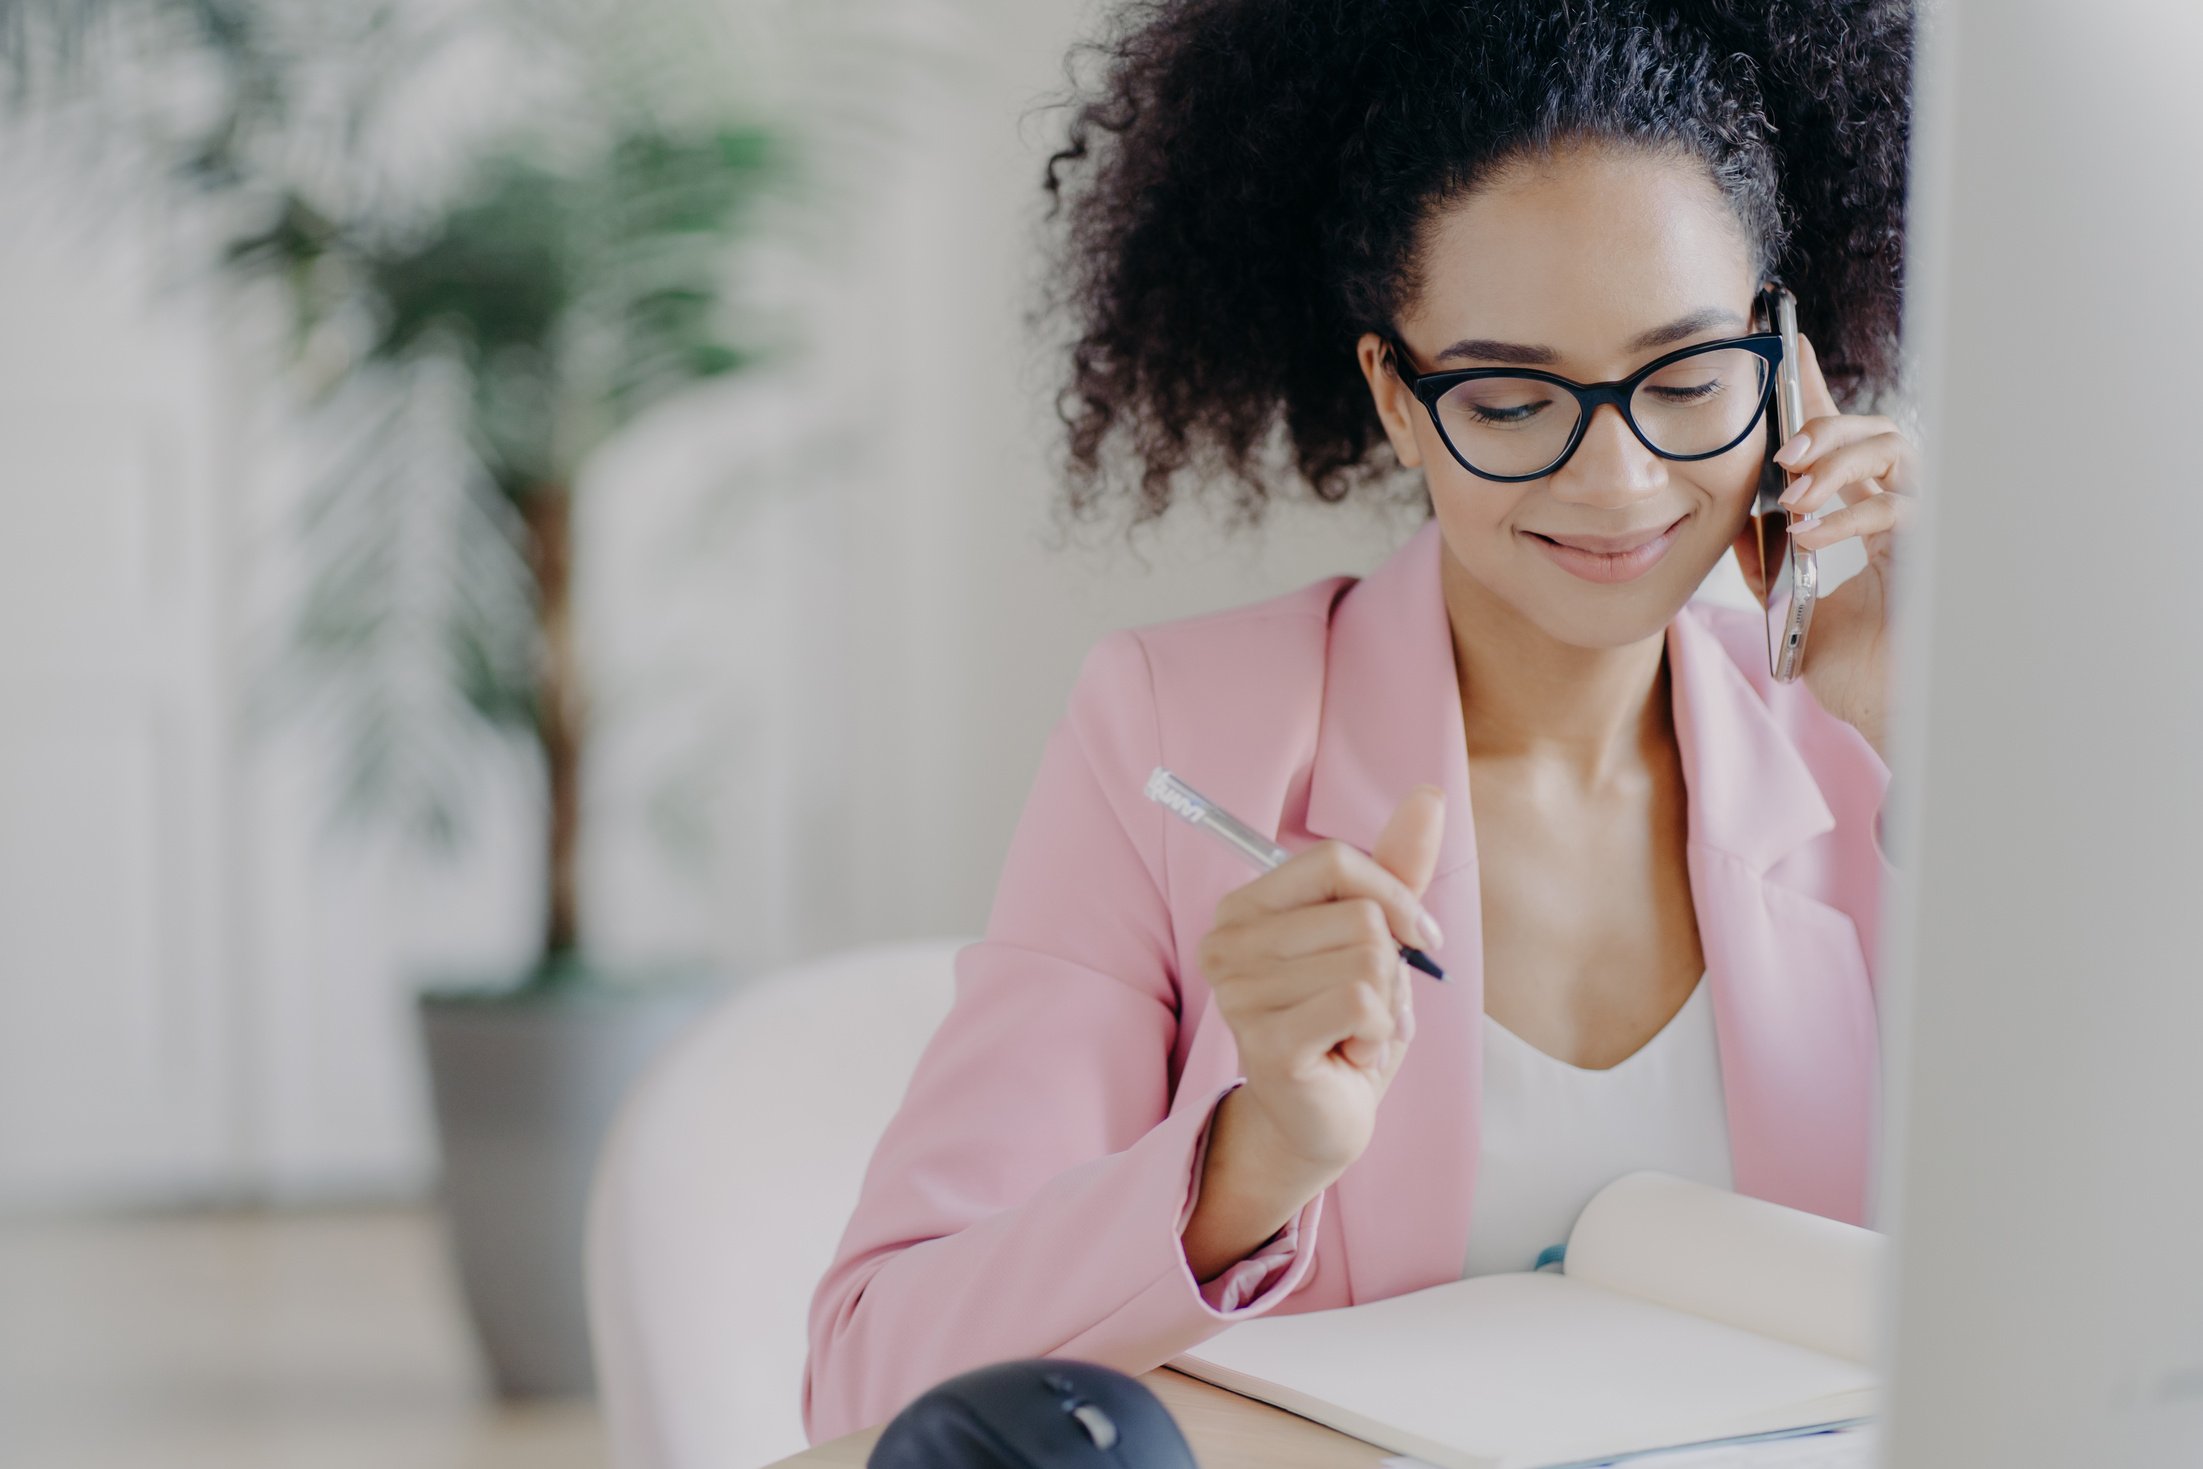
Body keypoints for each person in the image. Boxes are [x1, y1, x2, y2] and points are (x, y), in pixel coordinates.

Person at [803, 0, 1918, 1443]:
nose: (1621, 476)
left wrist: (1925, 734)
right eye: (1514, 397)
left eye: (1690, 378)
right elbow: (871, 1378)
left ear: (1788, 366)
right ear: (1396, 397)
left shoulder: (1870, 746)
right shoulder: (1179, 736)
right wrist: (1253, 1160)